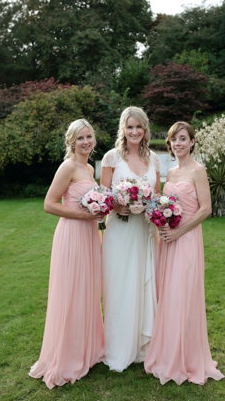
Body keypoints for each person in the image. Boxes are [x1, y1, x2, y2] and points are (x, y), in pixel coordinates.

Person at [144, 121, 224, 385]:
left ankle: (187, 358)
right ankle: (168, 354)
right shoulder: (172, 171)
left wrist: (179, 232)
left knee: (184, 295)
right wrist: (161, 221)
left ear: (192, 142)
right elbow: (167, 205)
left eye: (182, 139)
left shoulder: (198, 170)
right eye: (173, 139)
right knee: (168, 294)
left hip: (187, 239)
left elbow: (205, 209)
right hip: (168, 241)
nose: (177, 143)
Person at [29, 119, 104, 388]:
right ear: (71, 141)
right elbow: (49, 205)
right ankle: (68, 356)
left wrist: (97, 216)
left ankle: (88, 349)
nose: (86, 142)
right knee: (71, 291)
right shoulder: (68, 166)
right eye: (80, 138)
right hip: (72, 234)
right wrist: (83, 215)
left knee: (88, 290)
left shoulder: (89, 168)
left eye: (89, 137)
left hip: (90, 235)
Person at [100, 106, 161, 372]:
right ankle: (118, 348)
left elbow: (157, 197)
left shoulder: (155, 160)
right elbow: (102, 197)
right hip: (120, 232)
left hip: (143, 231)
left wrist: (148, 207)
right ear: (123, 130)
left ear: (145, 130)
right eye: (129, 127)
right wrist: (117, 205)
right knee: (119, 286)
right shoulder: (112, 158)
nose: (134, 131)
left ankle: (141, 346)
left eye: (139, 127)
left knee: (143, 285)